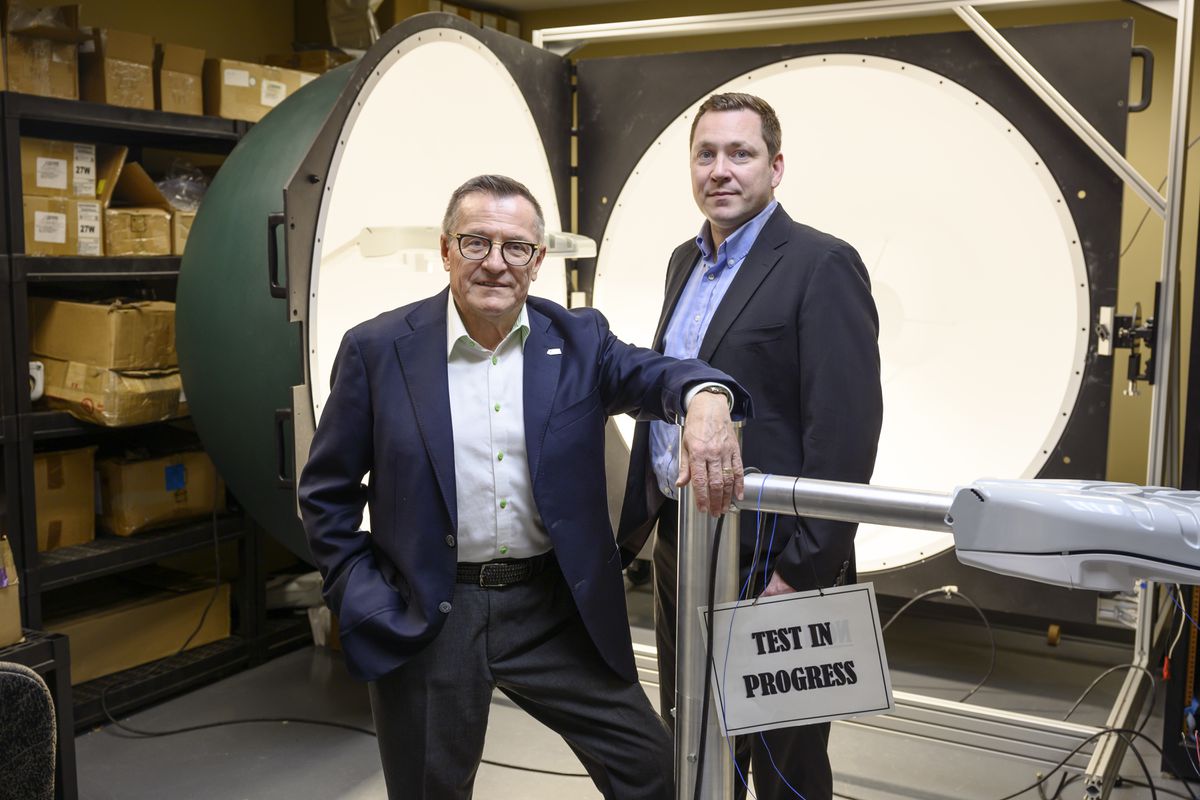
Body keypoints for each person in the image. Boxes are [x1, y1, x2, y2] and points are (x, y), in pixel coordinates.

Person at [298, 174, 751, 800]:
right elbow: (327, 492)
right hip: (431, 610)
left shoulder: (579, 340)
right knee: (430, 790)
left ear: (537, 261)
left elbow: (655, 376)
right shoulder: (377, 350)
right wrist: (361, 595)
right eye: (476, 242)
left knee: (652, 772)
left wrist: (705, 396)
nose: (495, 263)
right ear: (446, 249)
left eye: (516, 247)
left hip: (552, 608)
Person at [618, 93, 884, 800]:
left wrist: (803, 570)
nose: (721, 170)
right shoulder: (684, 261)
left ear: (776, 166)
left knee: (784, 763)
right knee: (695, 737)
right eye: (705, 154)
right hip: (684, 543)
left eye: (741, 153)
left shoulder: (822, 264)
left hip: (776, 556)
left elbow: (846, 429)